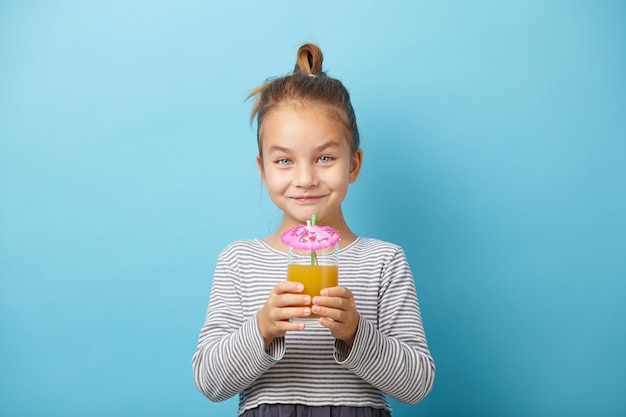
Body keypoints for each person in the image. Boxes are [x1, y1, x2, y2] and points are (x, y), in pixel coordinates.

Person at [192, 43, 435, 417]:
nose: (304, 179)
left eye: (324, 158)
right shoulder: (240, 261)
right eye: (284, 160)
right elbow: (209, 381)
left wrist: (356, 332)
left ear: (353, 164)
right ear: (263, 168)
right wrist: (262, 328)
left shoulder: (384, 261)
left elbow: (417, 385)